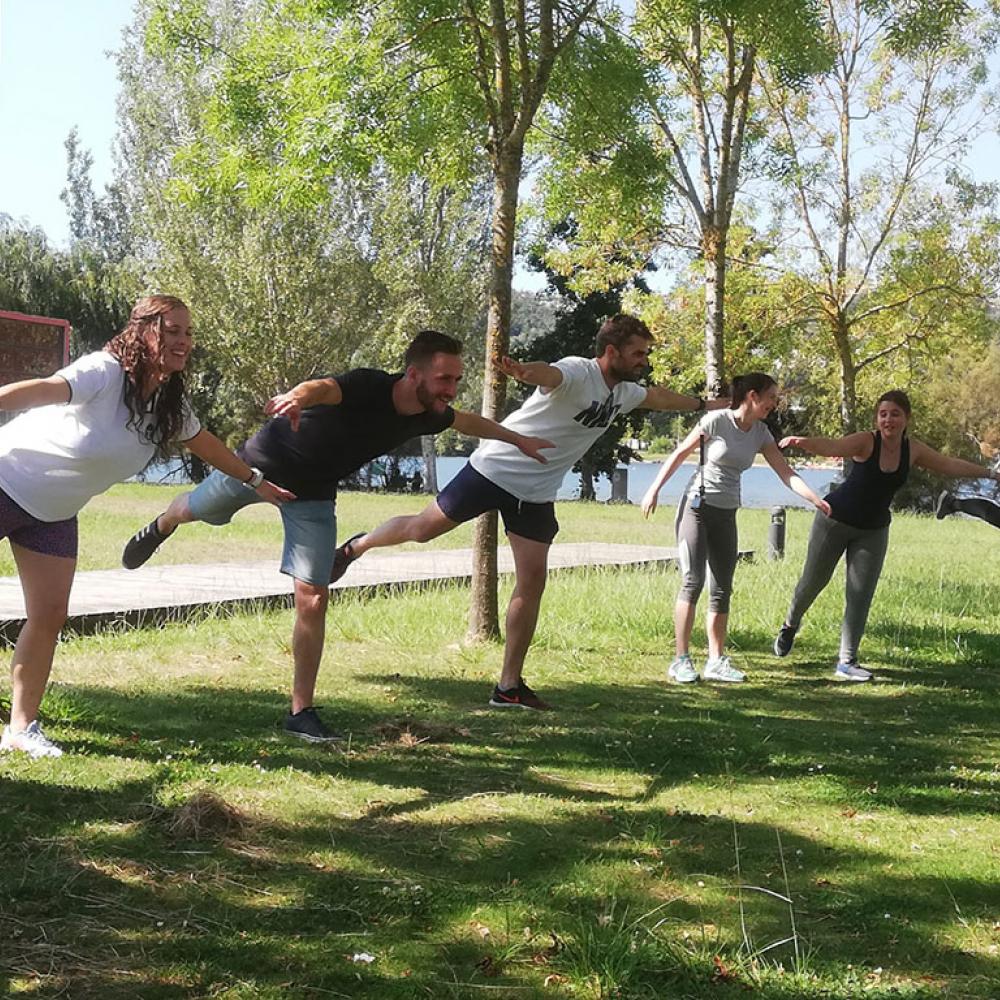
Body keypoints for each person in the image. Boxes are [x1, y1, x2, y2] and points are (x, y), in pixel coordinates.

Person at [120, 330, 554, 740]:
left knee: (313, 595)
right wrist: (295, 396)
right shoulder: (369, 386)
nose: (450, 389)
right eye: (444, 378)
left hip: (311, 494)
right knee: (191, 509)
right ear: (414, 374)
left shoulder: (430, 415)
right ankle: (162, 524)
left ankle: (300, 712)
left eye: (456, 379)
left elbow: (468, 424)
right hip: (258, 469)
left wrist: (518, 440)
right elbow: (324, 388)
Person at [329, 314, 728, 711]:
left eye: (645, 354)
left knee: (532, 581)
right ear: (611, 351)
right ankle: (356, 547)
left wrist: (703, 404)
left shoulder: (624, 392)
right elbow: (550, 375)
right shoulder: (578, 371)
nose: (643, 360)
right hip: (496, 468)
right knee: (421, 530)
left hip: (537, 492)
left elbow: (658, 397)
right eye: (637, 353)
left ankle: (508, 686)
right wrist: (524, 372)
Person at [0, 295, 293, 759]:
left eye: (188, 333)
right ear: (143, 331)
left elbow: (207, 446)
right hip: (5, 478)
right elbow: (41, 389)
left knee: (50, 614)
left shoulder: (167, 402)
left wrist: (255, 481)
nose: (182, 341)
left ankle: (20, 729)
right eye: (172, 330)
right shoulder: (104, 371)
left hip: (53, 512)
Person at [774, 390, 1000, 681]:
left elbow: (948, 464)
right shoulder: (866, 441)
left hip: (874, 529)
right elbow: (834, 445)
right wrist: (802, 442)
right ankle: (790, 624)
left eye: (895, 414)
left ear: (906, 419)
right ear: (876, 418)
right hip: (835, 520)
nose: (888, 419)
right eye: (883, 414)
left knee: (860, 594)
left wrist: (992, 474)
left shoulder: (913, 449)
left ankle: (847, 660)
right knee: (812, 582)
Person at [641, 373, 830, 685]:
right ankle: (681, 660)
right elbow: (679, 454)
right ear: (753, 396)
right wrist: (653, 490)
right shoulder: (716, 421)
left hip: (727, 514)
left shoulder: (760, 433)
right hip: (697, 508)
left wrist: (814, 499)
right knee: (693, 581)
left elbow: (786, 472)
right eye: (772, 397)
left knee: (722, 587)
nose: (775, 403)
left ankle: (716, 661)